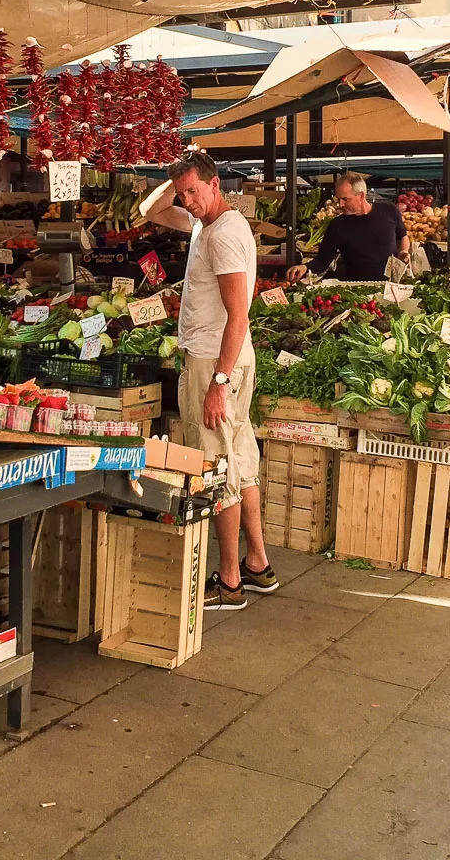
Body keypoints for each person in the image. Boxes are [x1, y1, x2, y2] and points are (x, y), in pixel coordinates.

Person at [142, 151, 273, 610]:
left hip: (216, 361)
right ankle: (257, 563)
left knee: (216, 469)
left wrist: (218, 380)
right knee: (240, 459)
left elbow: (240, 314)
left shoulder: (223, 237)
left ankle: (231, 580)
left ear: (217, 185)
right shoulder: (206, 223)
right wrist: (173, 170)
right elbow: (150, 211)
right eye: (183, 194)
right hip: (226, 358)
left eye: (195, 191)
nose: (188, 201)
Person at [286, 175, 409, 282]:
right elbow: (322, 261)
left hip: (391, 286)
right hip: (355, 289)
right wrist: (304, 267)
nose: (340, 204)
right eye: (338, 199)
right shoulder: (337, 225)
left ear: (361, 196)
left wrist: (403, 251)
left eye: (345, 199)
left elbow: (403, 236)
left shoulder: (389, 211)